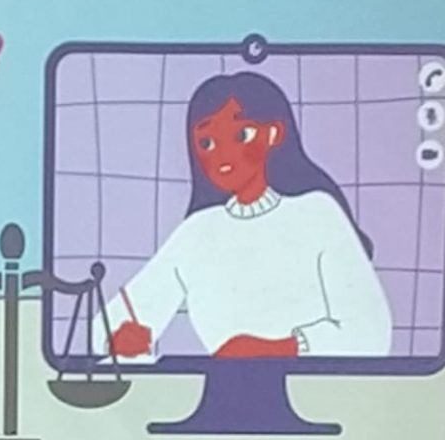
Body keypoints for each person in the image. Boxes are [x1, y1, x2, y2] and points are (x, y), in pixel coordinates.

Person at [107, 72, 392, 360]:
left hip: (314, 386)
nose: (223, 156)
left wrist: (273, 350)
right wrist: (123, 340)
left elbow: (371, 334)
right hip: (220, 386)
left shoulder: (317, 213)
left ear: (273, 134)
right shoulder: (197, 232)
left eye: (241, 136)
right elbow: (107, 327)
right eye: (207, 143)